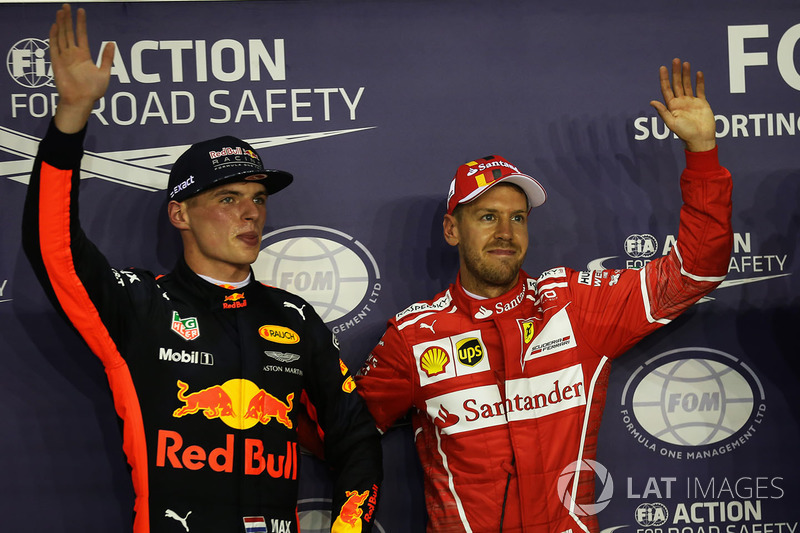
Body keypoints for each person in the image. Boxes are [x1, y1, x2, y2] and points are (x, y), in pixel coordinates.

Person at [22, 5, 381, 533]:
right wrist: (71, 118)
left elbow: (356, 437)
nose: (251, 213)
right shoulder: (139, 305)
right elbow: (53, 249)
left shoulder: (295, 316)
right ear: (180, 213)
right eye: (228, 198)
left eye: (258, 199)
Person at [355, 58, 732, 532]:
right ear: (453, 230)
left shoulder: (573, 305)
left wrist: (701, 151)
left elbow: (696, 271)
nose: (506, 232)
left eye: (518, 217)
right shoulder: (414, 336)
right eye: (487, 217)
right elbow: (341, 434)